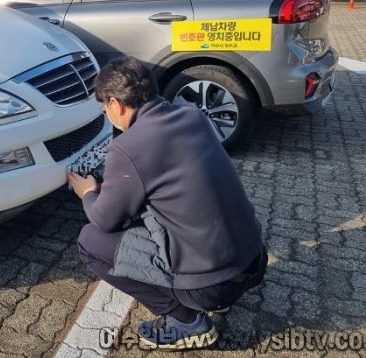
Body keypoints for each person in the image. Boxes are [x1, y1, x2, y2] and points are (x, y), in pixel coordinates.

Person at [69, 56, 267, 350]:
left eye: (104, 107)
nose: (106, 113)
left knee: (90, 241)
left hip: (211, 288)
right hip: (253, 262)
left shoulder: (127, 147)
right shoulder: (193, 115)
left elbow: (105, 219)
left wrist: (87, 192)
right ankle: (216, 297)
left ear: (116, 104)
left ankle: (185, 320)